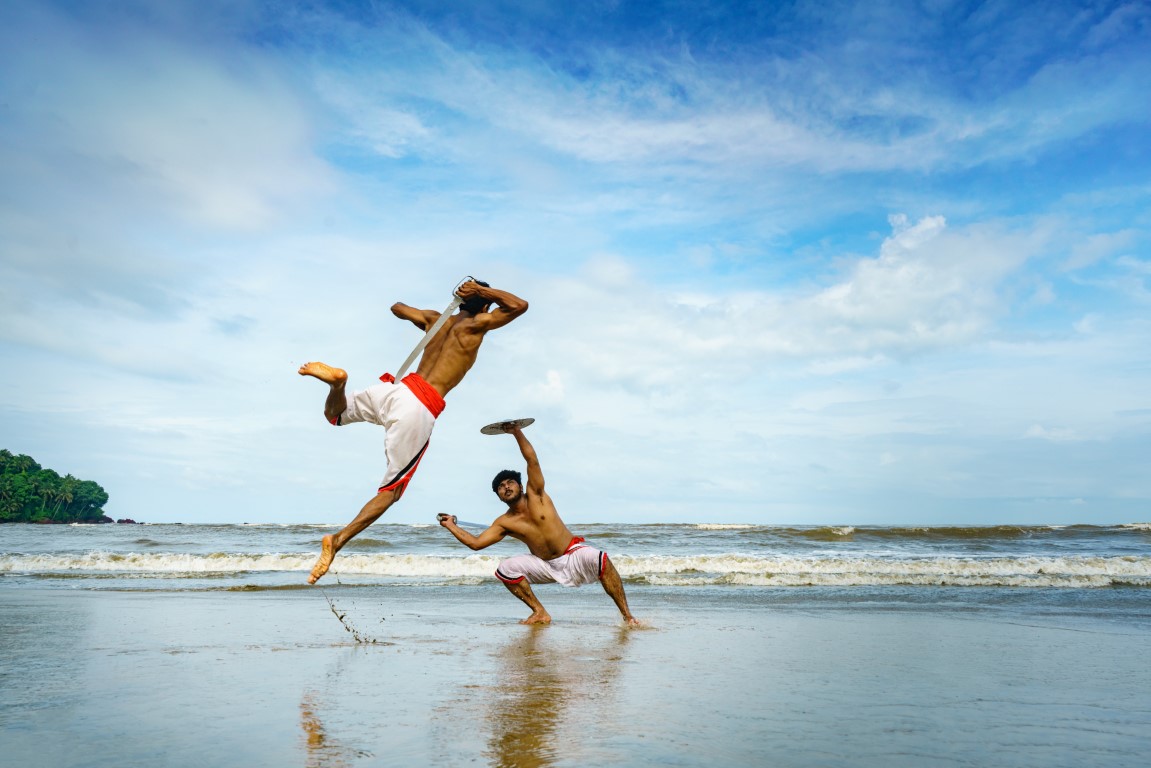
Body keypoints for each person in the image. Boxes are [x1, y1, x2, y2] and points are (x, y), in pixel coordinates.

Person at [299, 279, 528, 584]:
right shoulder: (477, 325)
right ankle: (337, 542)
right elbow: (519, 306)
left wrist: (439, 306)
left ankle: (338, 382)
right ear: (484, 304)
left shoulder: (435, 319)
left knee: (335, 415)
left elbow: (397, 308)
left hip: (394, 391)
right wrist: (482, 293)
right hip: (418, 407)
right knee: (391, 492)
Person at [438, 424, 640, 626]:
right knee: (505, 569)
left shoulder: (536, 494)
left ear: (520, 485)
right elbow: (476, 543)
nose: (506, 487)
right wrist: (450, 525)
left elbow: (531, 459)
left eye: (510, 482)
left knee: (601, 559)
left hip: (572, 554)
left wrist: (516, 432)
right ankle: (540, 612)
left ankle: (627, 616)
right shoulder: (504, 522)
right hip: (544, 565)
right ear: (498, 496)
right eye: (500, 487)